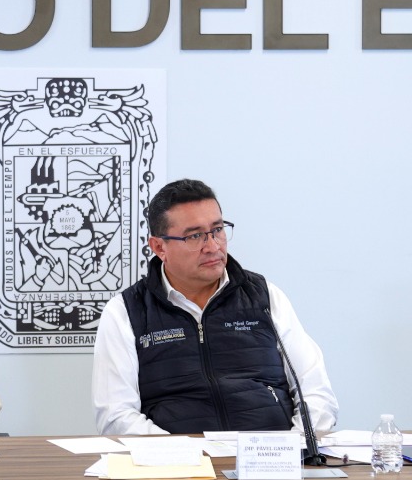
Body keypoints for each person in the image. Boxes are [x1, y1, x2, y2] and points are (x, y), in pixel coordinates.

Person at [92, 178, 338, 435]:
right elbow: (115, 415)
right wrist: (179, 453)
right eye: (195, 236)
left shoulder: (265, 296)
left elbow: (316, 393)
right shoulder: (126, 311)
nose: (212, 246)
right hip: (176, 457)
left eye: (217, 230)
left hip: (271, 453)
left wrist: (291, 447)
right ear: (159, 247)